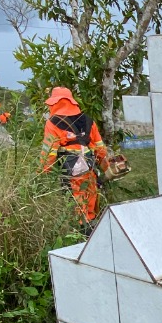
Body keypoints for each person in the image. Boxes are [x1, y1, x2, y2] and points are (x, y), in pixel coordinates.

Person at [40, 86, 110, 224]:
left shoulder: (52, 123)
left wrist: (43, 173)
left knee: (76, 204)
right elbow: (100, 149)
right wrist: (106, 167)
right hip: (89, 167)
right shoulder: (88, 120)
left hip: (71, 170)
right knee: (91, 199)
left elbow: (49, 152)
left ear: (54, 103)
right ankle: (92, 230)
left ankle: (81, 235)